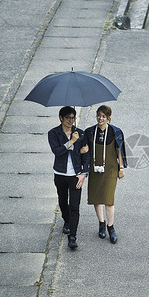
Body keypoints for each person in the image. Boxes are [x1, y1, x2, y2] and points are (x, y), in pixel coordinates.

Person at [83, 105, 127, 244]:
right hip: (94, 168)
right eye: (98, 115)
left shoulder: (115, 131)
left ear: (108, 117)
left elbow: (119, 150)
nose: (100, 118)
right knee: (97, 198)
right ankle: (101, 223)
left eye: (103, 116)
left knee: (108, 199)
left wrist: (121, 167)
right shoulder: (89, 132)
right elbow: (84, 150)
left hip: (110, 169)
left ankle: (111, 227)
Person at [48, 106, 89, 249]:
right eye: (68, 118)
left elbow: (86, 155)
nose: (71, 121)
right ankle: (66, 220)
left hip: (76, 175)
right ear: (61, 118)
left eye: (73, 118)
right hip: (60, 173)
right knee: (63, 201)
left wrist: (84, 173)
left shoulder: (81, 134)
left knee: (75, 206)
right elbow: (57, 151)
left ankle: (72, 236)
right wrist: (71, 142)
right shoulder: (53, 133)